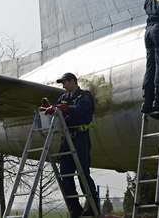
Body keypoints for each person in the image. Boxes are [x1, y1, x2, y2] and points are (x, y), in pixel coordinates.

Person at [44, 72, 99, 218]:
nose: (63, 85)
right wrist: (51, 110)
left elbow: (81, 112)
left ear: (73, 81)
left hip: (81, 137)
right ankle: (75, 208)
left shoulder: (85, 96)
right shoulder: (63, 98)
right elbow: (60, 112)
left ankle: (93, 207)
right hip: (67, 138)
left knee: (82, 173)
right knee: (65, 173)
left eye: (65, 82)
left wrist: (66, 110)